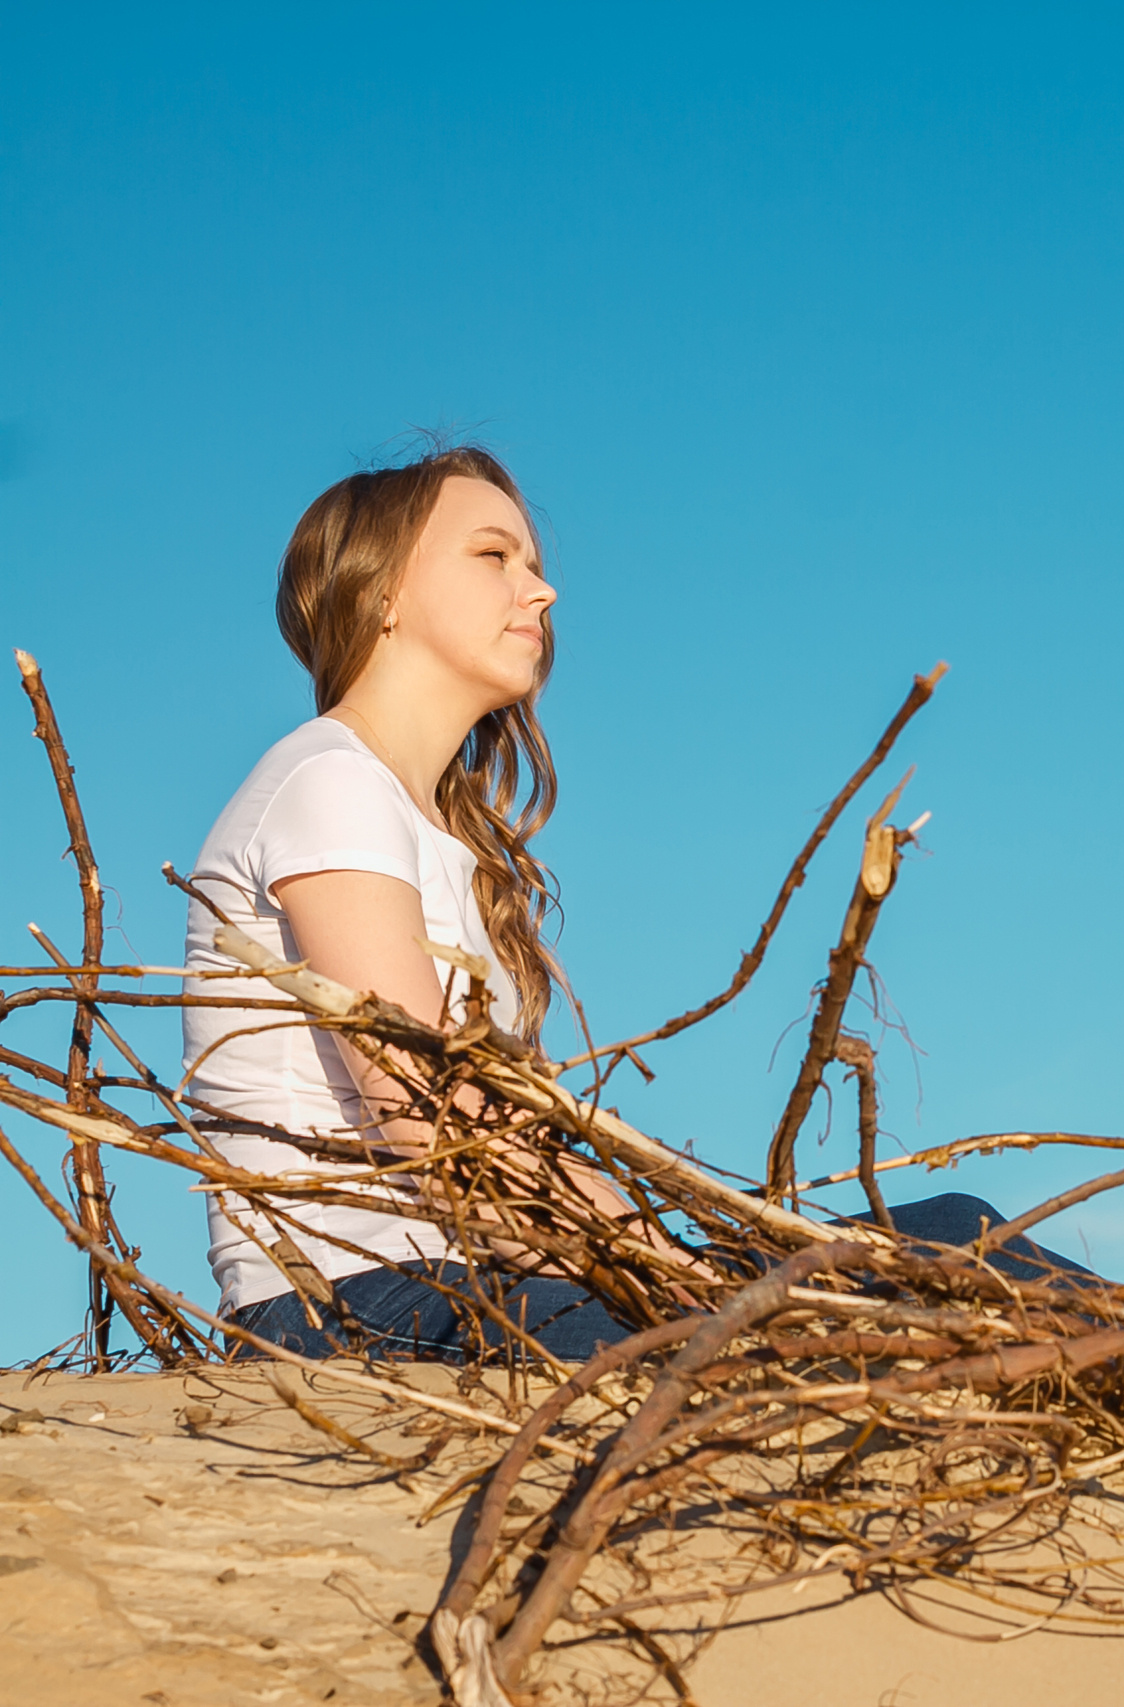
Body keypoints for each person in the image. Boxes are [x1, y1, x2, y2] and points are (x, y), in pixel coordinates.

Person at [181, 445, 1041, 1365]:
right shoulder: (327, 781)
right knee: (795, 1336)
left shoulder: (435, 833)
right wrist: (675, 1270)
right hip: (353, 1308)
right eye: (493, 557)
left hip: (480, 1285)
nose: (540, 593)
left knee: (955, 1230)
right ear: (382, 593)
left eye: (536, 567)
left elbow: (518, 1147)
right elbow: (436, 1124)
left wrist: (696, 1258)